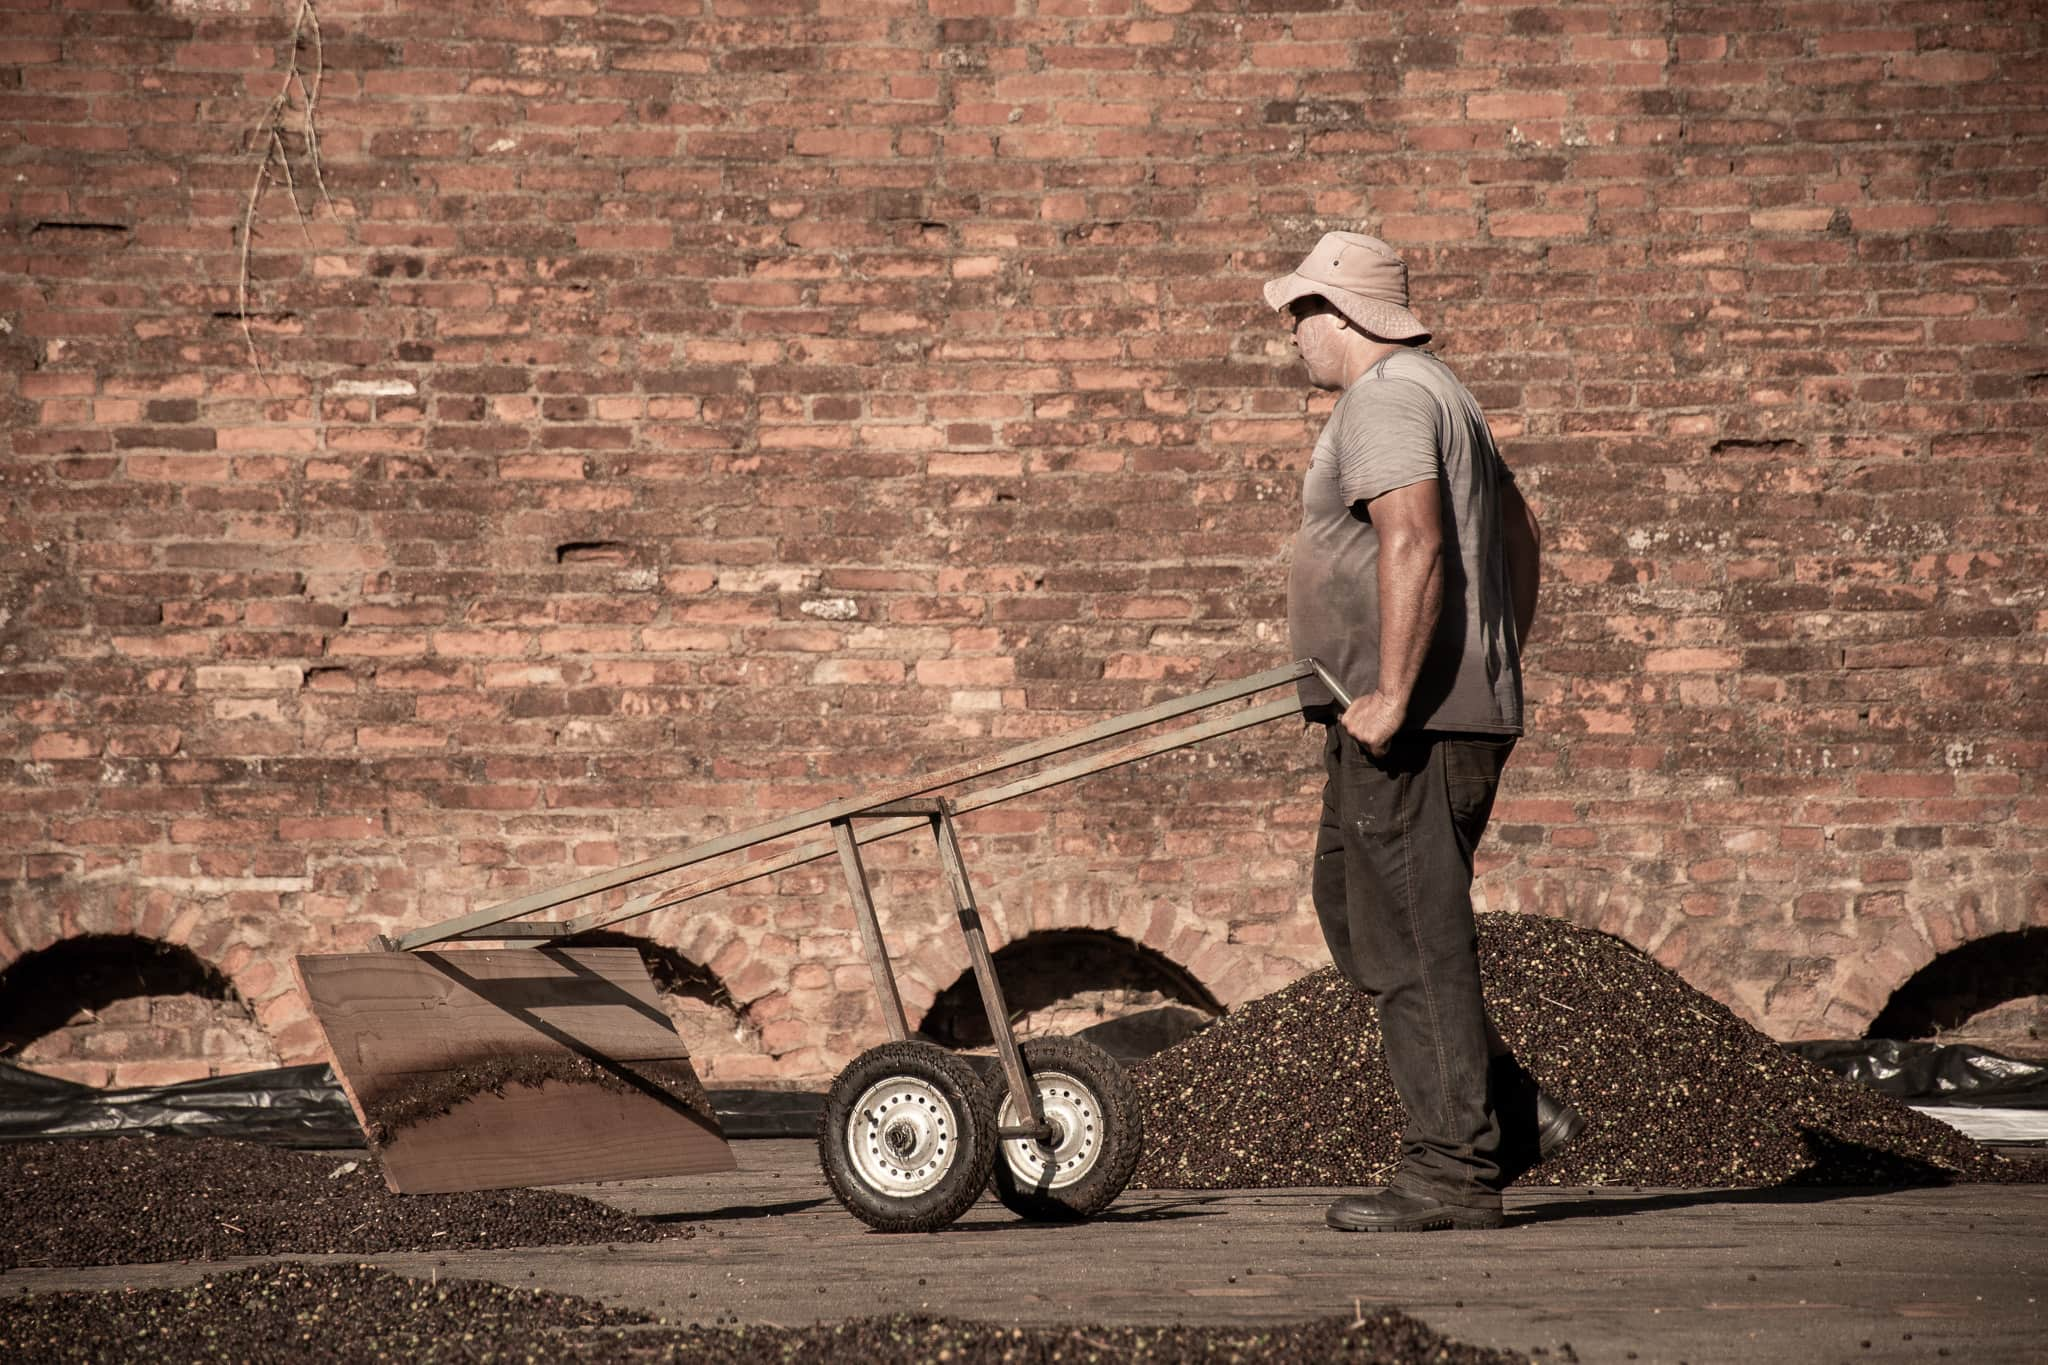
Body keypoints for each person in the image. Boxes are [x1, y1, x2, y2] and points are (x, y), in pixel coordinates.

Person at [1266, 232, 1583, 1232]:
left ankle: (1450, 1169)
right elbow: (1521, 536)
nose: (1292, 334)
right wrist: (1492, 657)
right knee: (1352, 909)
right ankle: (1506, 1110)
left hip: (1407, 725)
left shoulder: (1390, 397)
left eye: (1302, 312)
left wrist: (1403, 693)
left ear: (1346, 312)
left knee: (1409, 941)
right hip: (1426, 712)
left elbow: (1413, 539)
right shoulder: (1439, 393)